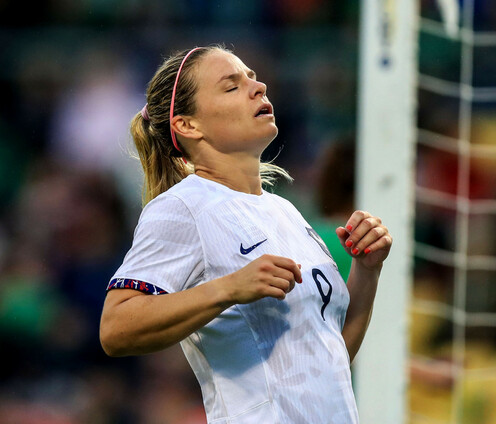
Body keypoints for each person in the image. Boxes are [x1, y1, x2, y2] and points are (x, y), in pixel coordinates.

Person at [99, 45, 392, 424]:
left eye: (253, 77)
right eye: (231, 86)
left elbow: (331, 358)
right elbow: (115, 328)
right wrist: (228, 288)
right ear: (188, 126)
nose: (259, 87)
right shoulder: (184, 207)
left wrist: (367, 270)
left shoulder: (284, 210)